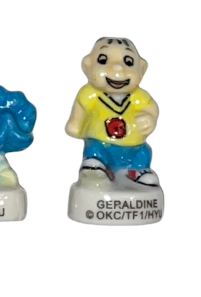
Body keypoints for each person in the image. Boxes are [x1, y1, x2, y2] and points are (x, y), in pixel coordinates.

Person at [65, 37, 160, 186]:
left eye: (128, 62)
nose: (117, 68)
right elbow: (80, 109)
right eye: (103, 60)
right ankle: (95, 167)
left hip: (134, 146)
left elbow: (152, 109)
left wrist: (149, 119)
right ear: (87, 66)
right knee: (94, 149)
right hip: (100, 143)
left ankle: (137, 171)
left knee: (143, 153)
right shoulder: (89, 94)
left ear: (142, 68)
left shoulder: (138, 97)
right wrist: (75, 124)